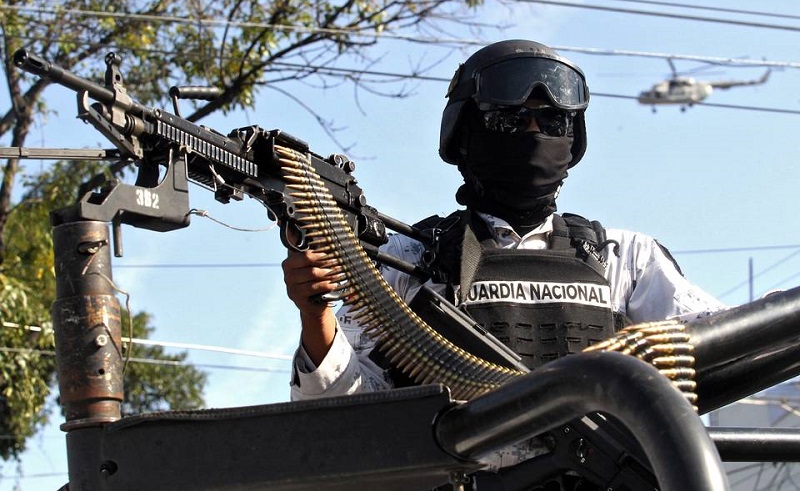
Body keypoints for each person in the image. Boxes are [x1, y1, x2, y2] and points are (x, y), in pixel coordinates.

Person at [282, 39, 724, 485]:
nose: (533, 131)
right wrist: (315, 315)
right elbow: (344, 416)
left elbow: (731, 348)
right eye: (509, 119)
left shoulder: (625, 258)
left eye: (552, 120)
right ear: (467, 132)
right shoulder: (411, 258)